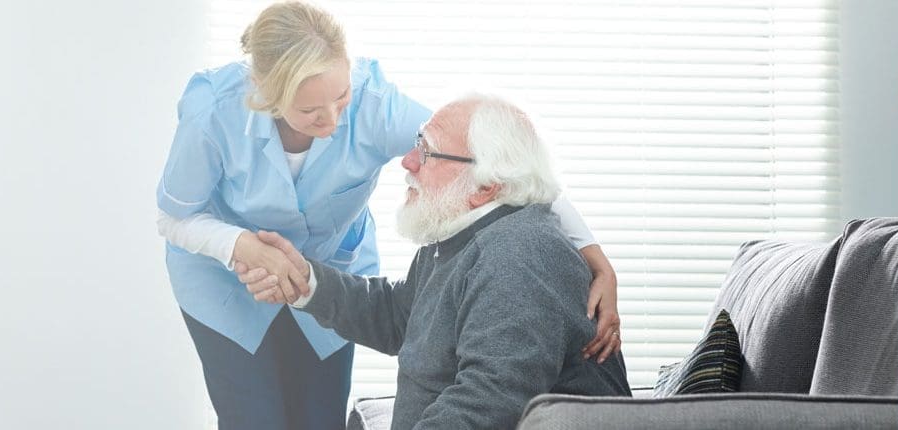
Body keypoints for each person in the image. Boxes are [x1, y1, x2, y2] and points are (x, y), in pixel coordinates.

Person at [155, 2, 622, 429]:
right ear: (268, 97)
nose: (336, 123)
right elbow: (175, 217)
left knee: (319, 419)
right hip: (225, 277)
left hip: (327, 263)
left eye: (341, 99)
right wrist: (253, 252)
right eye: (311, 111)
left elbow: (505, 161)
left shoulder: (514, 252)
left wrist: (591, 249)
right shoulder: (213, 113)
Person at [236, 93, 633, 429]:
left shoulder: (517, 254)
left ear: (485, 186)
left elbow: (492, 401)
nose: (408, 161)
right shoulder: (460, 234)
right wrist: (305, 281)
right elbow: (399, 317)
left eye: (426, 151)